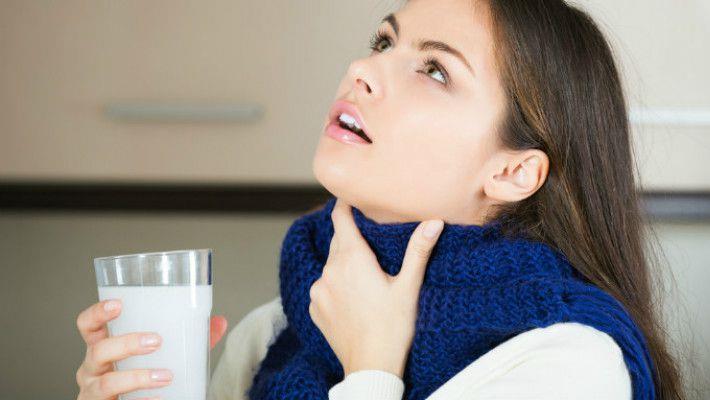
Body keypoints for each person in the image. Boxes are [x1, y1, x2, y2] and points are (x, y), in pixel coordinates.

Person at [74, 0, 684, 399]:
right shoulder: (277, 328)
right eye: (383, 41)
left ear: (513, 171)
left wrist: (370, 368)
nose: (362, 68)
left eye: (435, 70)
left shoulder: (573, 363)